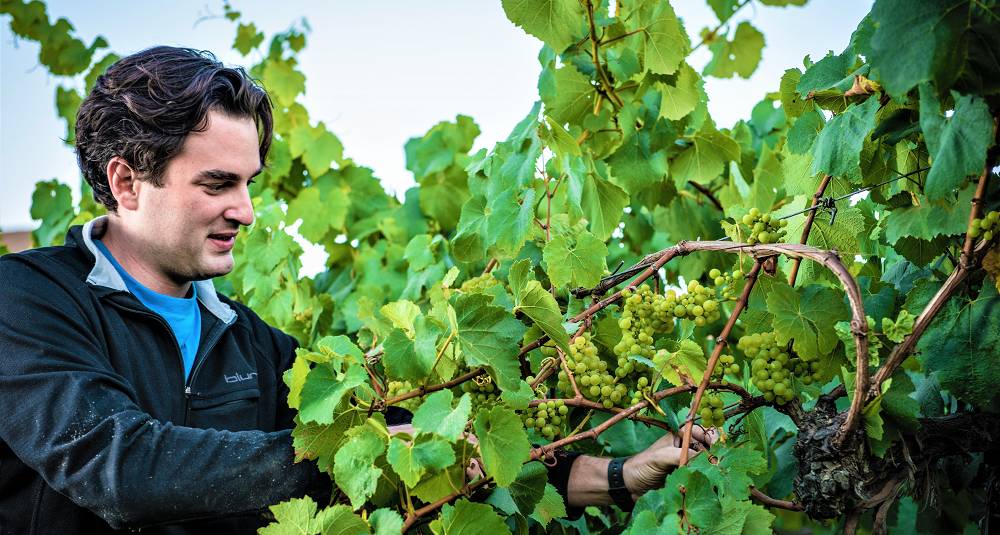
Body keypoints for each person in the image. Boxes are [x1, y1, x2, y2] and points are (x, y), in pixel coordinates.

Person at [0, 46, 711, 534]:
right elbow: (118, 465)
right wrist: (343, 452)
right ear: (126, 181)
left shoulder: (256, 344)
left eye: (249, 183)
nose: (246, 210)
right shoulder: (28, 299)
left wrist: (620, 473)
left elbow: (431, 454)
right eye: (217, 183)